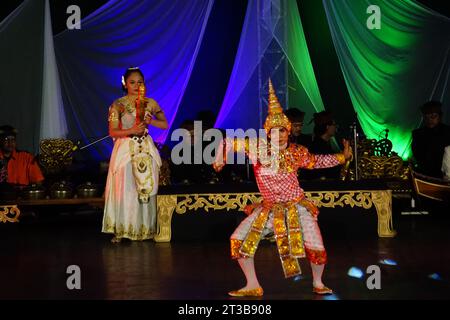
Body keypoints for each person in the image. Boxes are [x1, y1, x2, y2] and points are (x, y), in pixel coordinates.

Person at [212, 80, 352, 297]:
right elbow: (229, 141)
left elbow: (318, 161)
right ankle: (252, 285)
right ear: (268, 133)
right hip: (269, 209)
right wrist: (220, 158)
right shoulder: (258, 148)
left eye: (284, 130)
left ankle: (318, 282)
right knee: (238, 241)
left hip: (297, 207)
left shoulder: (297, 152)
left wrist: (343, 157)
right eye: (276, 131)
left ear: (288, 132)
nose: (281, 135)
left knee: (316, 245)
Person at [102, 67, 168, 243]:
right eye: (132, 82)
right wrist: (131, 129)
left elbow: (164, 125)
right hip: (126, 148)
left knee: (145, 187)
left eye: (140, 82)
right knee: (126, 188)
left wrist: (150, 121)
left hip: (145, 147)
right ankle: (122, 229)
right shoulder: (118, 105)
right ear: (125, 84)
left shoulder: (150, 103)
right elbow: (113, 132)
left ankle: (145, 229)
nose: (136, 85)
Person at [412, 101, 450, 178]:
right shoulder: (418, 134)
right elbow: (417, 155)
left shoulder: (448, 132)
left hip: (444, 176)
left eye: (433, 117)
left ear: (439, 116)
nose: (429, 120)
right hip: (423, 175)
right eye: (426, 117)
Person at [303, 111, 342, 180]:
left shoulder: (323, 144)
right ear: (327, 127)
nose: (335, 127)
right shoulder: (318, 147)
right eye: (334, 124)